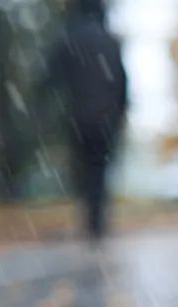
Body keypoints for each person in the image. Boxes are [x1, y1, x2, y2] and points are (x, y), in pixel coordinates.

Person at [46, 0, 128, 241]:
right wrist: (121, 112)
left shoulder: (69, 38)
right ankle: (98, 223)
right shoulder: (109, 41)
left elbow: (52, 75)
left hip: (78, 116)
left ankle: (90, 220)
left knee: (84, 168)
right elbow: (122, 81)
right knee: (100, 169)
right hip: (105, 117)